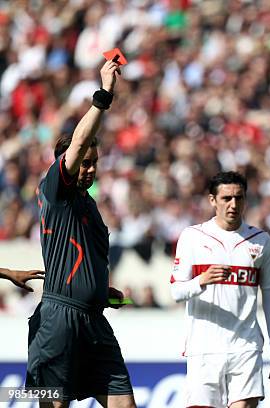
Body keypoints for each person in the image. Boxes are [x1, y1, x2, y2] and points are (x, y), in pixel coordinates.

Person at [26, 60, 136, 408]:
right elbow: (77, 145)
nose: (90, 169)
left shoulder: (89, 207)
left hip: (94, 322)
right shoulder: (56, 189)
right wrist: (104, 95)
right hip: (59, 321)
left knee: (125, 404)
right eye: (84, 162)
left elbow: (83, 259)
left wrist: (101, 292)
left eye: (95, 163)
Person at [170, 171, 270, 408]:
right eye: (226, 199)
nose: (233, 205)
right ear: (212, 200)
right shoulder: (193, 237)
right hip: (204, 347)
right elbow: (176, 292)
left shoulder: (260, 240)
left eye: (239, 198)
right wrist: (201, 280)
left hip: (246, 346)